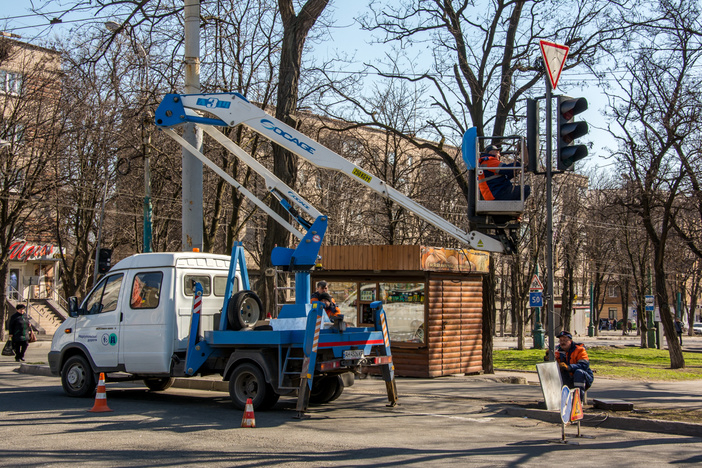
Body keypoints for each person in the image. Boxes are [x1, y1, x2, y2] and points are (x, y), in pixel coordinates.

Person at [546, 330, 594, 401]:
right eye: (561, 340)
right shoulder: (557, 350)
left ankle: (578, 401)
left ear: (570, 341)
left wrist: (569, 367)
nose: (562, 342)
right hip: (568, 377)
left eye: (565, 340)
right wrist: (547, 358)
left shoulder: (580, 350)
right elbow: (553, 366)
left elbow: (584, 365)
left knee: (578, 372)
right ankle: (559, 400)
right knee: (558, 373)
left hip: (583, 377)